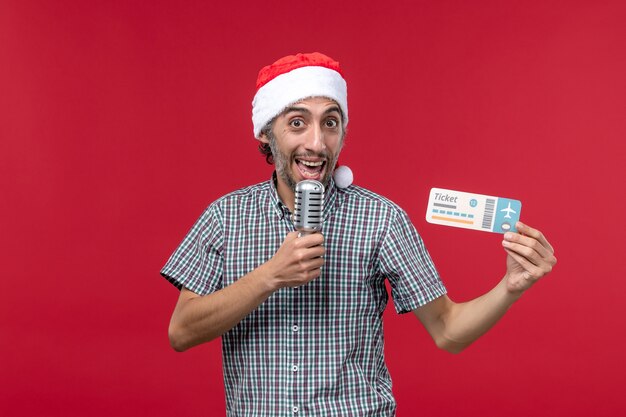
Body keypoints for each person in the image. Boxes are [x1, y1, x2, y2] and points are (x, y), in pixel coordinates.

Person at [161, 52, 557, 417]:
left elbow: (448, 330)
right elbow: (181, 331)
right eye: (297, 123)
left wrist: (511, 286)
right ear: (266, 132)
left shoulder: (380, 219)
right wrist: (270, 276)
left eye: (330, 123)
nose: (316, 143)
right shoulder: (226, 217)